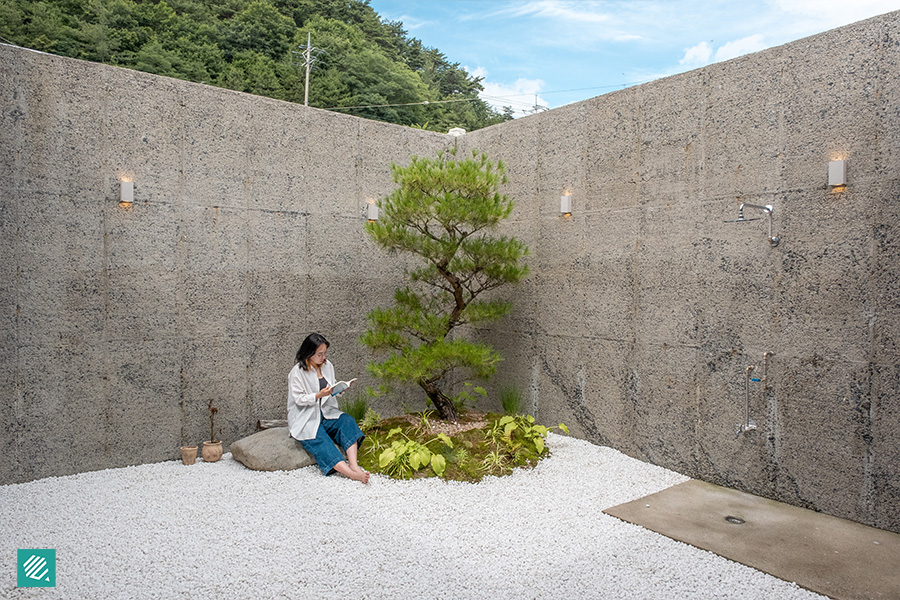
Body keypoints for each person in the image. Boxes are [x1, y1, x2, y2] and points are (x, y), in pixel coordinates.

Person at [287, 333, 369, 484]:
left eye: (324, 353)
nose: (323, 357)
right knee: (320, 439)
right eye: (320, 354)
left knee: (347, 421)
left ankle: (354, 465)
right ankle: (350, 474)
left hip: (326, 412)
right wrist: (318, 395)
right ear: (309, 352)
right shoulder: (297, 372)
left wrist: (341, 389)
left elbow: (331, 387)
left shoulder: (327, 365)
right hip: (306, 416)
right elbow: (298, 399)